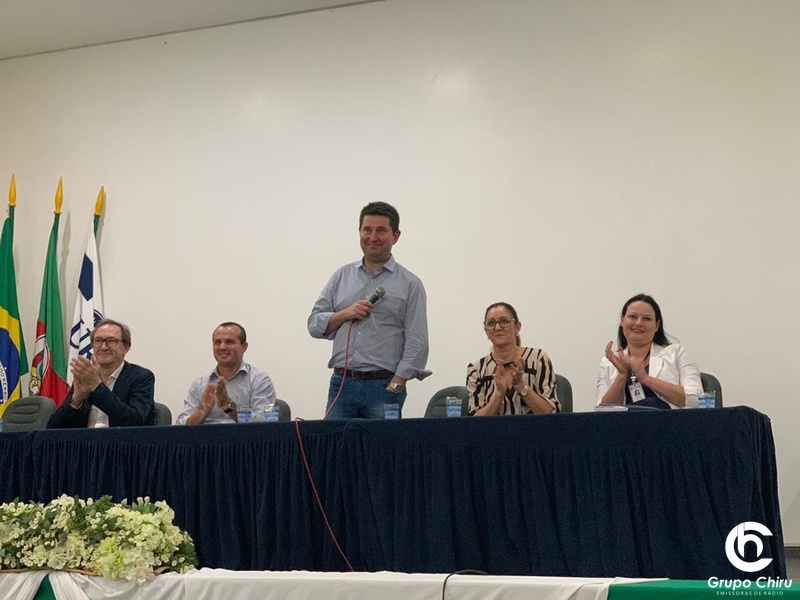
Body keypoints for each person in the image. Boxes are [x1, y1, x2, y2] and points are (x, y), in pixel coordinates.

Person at [308, 201, 431, 419]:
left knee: (381, 443)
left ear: (396, 236)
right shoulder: (341, 276)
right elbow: (314, 324)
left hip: (383, 387)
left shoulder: (411, 284)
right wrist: (345, 314)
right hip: (341, 385)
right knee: (334, 441)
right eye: (367, 230)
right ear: (359, 232)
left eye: (381, 230)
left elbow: (417, 341)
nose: (373, 237)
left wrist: (397, 383)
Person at [596, 293, 703, 409]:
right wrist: (622, 376)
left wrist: (645, 379)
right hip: (626, 420)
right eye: (633, 317)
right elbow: (603, 412)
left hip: (668, 419)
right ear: (622, 320)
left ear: (657, 325)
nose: (638, 323)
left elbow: (697, 400)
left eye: (646, 319)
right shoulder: (608, 363)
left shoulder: (676, 353)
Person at [48, 318, 155, 428]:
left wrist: (97, 386)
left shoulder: (141, 377)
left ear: (126, 348)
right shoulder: (85, 377)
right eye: (98, 341)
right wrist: (76, 399)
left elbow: (134, 421)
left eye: (111, 341)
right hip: (85, 438)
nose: (103, 347)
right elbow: (52, 428)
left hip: (120, 439)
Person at [466, 302, 560, 416]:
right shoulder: (476, 369)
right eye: (491, 323)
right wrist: (499, 394)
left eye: (504, 321)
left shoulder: (538, 359)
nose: (497, 328)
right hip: (493, 428)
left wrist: (521, 387)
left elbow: (551, 413)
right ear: (486, 331)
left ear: (517, 327)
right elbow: (474, 422)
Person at [176, 322, 277, 425]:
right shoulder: (199, 383)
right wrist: (202, 412)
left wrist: (228, 406)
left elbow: (265, 422)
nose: (222, 347)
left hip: (243, 435)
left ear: (244, 347)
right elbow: (180, 424)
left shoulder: (259, 380)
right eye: (217, 342)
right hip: (206, 435)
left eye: (229, 342)